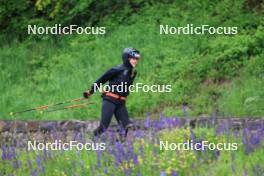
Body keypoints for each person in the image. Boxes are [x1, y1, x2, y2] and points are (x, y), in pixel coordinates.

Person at [83, 47, 141, 138]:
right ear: (126, 58)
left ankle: (120, 147)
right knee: (103, 127)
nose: (135, 61)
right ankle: (90, 140)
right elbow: (102, 79)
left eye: (137, 59)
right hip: (110, 100)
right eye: (133, 58)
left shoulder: (133, 72)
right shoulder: (117, 69)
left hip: (121, 103)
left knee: (126, 127)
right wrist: (90, 91)